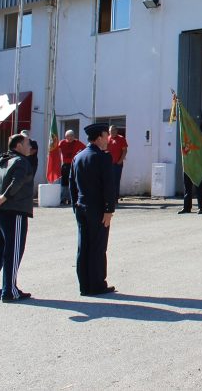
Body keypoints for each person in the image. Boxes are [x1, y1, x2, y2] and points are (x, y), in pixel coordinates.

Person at [0, 133, 34, 302]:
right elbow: (17, 182)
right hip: (14, 211)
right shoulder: (21, 162)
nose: (30, 146)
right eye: (27, 143)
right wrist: (3, 197)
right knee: (13, 250)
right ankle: (10, 291)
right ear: (18, 145)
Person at [69, 123, 117, 296]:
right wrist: (109, 210)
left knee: (84, 247)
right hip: (97, 209)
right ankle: (97, 285)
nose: (108, 139)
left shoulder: (78, 157)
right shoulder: (103, 157)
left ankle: (84, 285)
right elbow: (109, 186)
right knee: (97, 247)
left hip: (81, 207)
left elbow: (72, 185)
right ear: (98, 138)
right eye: (106, 136)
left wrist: (75, 205)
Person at [57, 131, 85, 206]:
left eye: (71, 136)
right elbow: (56, 150)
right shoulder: (62, 143)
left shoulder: (77, 143)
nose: (70, 137)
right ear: (65, 136)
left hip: (74, 164)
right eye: (68, 136)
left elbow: (85, 149)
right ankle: (63, 199)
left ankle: (71, 199)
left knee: (72, 182)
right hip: (65, 165)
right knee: (64, 183)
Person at [107, 125, 128, 200]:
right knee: (108, 181)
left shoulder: (121, 138)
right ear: (109, 131)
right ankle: (109, 197)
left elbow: (124, 150)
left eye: (114, 130)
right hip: (108, 164)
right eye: (111, 130)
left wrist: (120, 161)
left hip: (117, 164)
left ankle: (115, 198)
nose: (112, 132)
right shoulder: (107, 139)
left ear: (116, 130)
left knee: (116, 181)